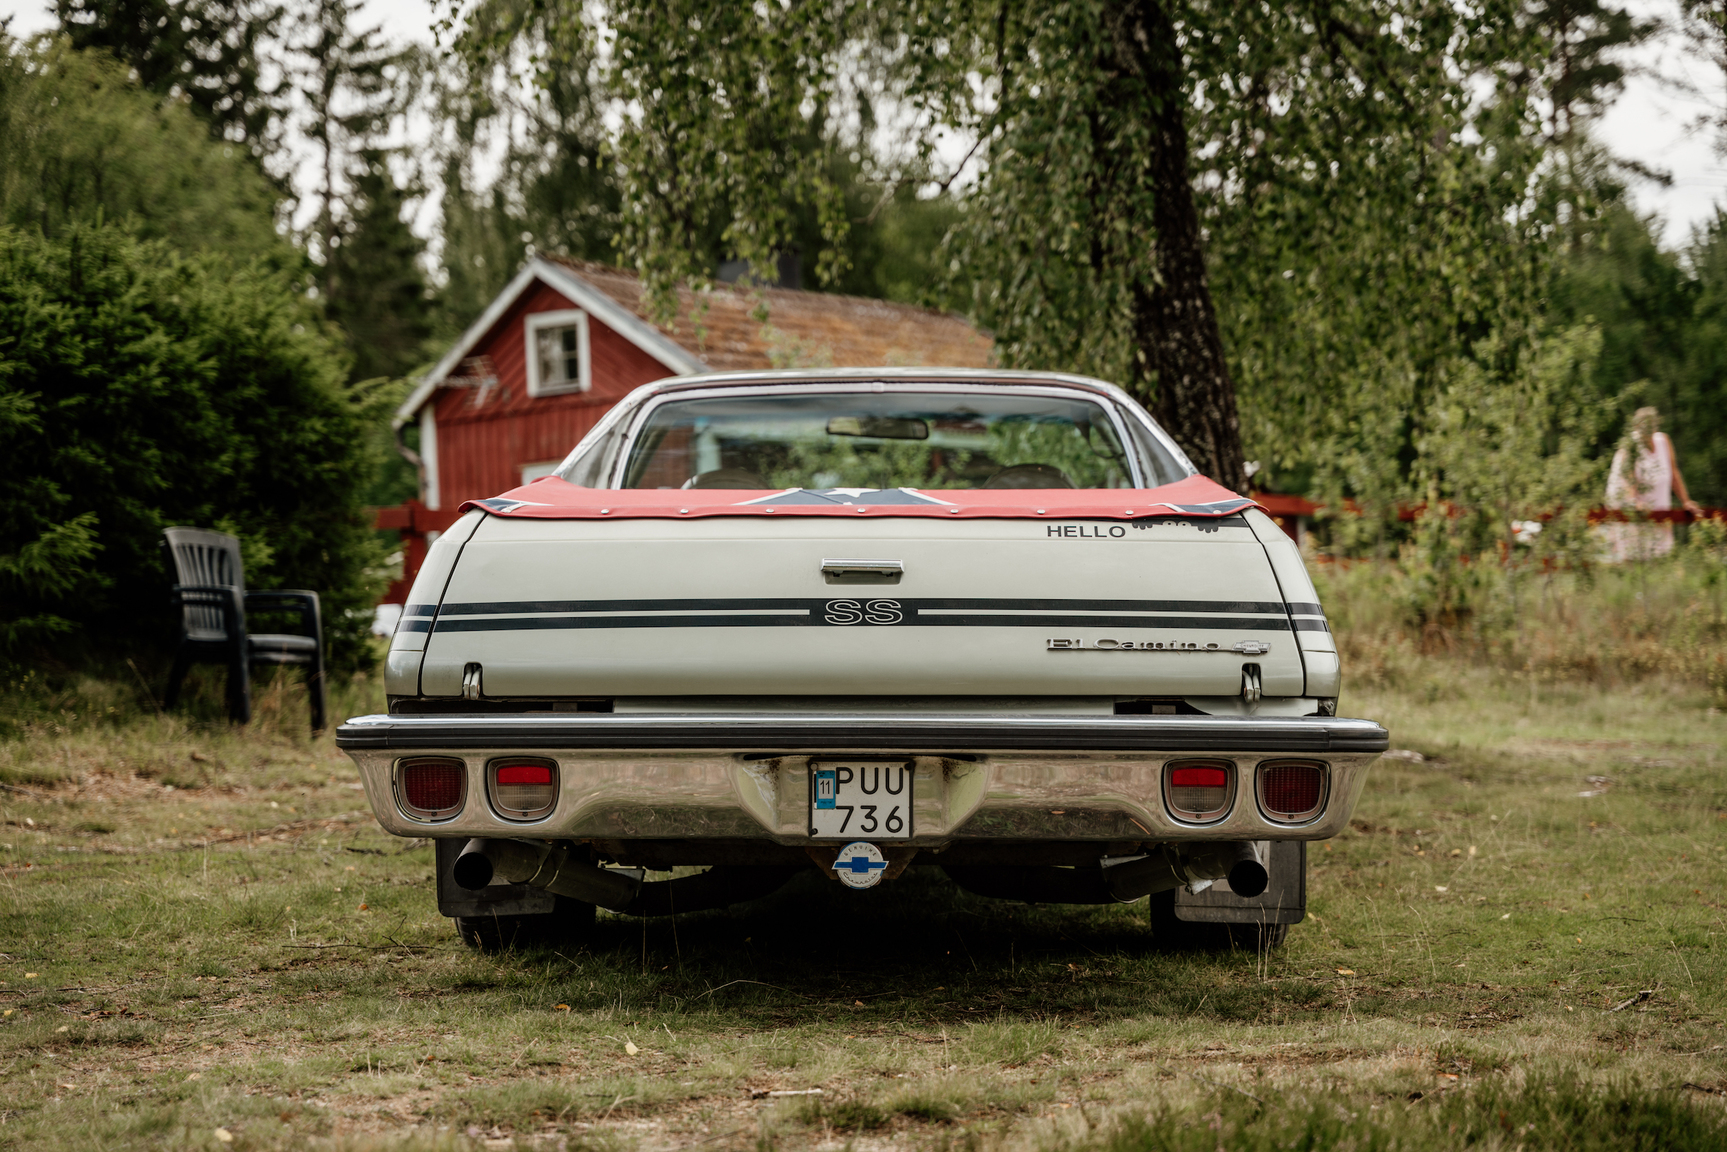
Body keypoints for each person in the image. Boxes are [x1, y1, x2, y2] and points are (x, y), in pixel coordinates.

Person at [1603, 407, 1703, 562]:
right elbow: (1628, 482)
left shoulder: (1663, 441)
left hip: (1657, 505)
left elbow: (1673, 473)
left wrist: (1686, 501)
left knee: (1661, 557)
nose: (1647, 430)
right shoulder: (1630, 447)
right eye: (1643, 425)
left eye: (1651, 425)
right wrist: (1636, 503)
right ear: (1636, 426)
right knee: (1634, 558)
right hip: (1631, 507)